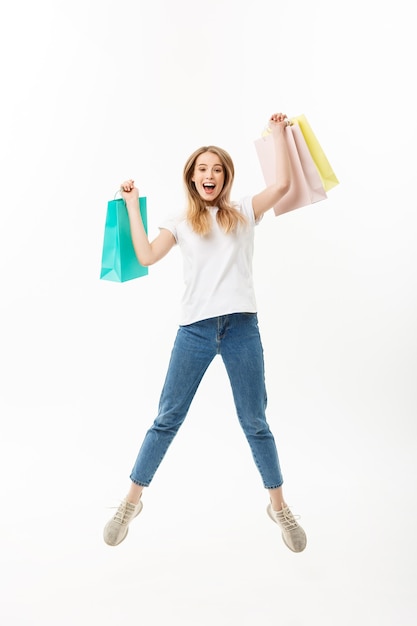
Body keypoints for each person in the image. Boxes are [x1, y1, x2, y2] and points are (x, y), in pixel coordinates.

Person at [103, 112, 307, 553]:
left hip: (241, 330)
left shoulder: (244, 210)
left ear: (226, 177)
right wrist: (133, 204)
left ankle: (278, 506)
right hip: (194, 332)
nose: (210, 175)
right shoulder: (178, 220)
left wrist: (277, 136)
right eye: (202, 169)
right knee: (166, 419)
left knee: (255, 421)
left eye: (217, 169)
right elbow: (145, 254)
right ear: (192, 178)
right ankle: (130, 502)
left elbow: (286, 186)